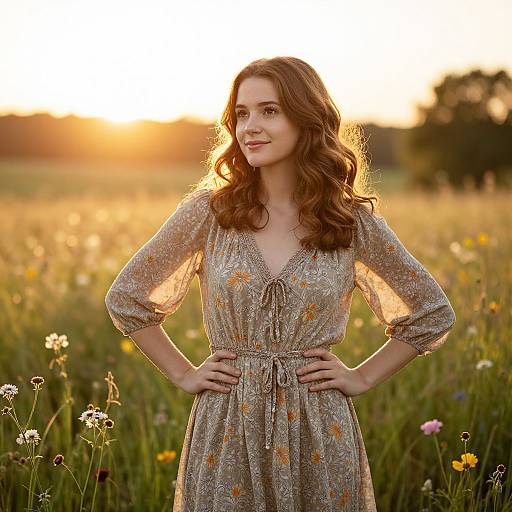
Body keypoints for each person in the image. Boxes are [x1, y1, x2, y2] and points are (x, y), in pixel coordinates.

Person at [105, 56, 456, 511]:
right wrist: (183, 373)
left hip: (319, 427)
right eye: (242, 114)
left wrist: (363, 375)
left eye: (269, 110)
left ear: (306, 118)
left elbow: (432, 313)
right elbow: (126, 298)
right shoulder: (208, 213)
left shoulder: (350, 222)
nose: (251, 126)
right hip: (228, 422)